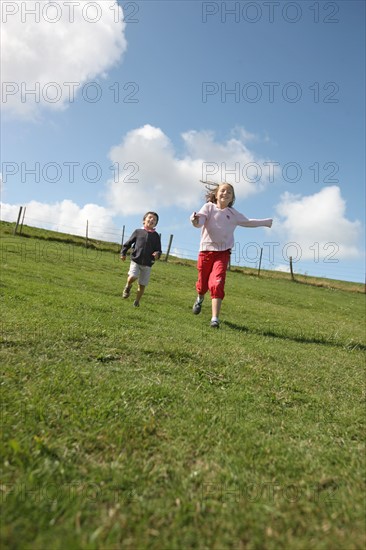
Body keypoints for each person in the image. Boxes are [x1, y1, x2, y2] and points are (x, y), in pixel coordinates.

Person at [190, 182, 272, 328]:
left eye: (229, 192)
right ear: (216, 194)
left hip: (223, 253)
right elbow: (200, 221)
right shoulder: (208, 207)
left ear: (232, 198)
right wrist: (195, 220)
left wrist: (266, 222)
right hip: (206, 251)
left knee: (217, 283)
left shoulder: (233, 214)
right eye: (223, 191)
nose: (225, 194)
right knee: (202, 284)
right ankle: (200, 297)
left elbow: (247, 222)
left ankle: (215, 318)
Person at [120, 211, 162, 307]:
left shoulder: (156, 236)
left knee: (142, 284)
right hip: (136, 260)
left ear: (156, 223)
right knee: (133, 276)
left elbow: (159, 250)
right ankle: (128, 286)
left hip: (148, 263)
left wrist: (157, 254)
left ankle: (137, 302)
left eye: (154, 219)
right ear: (144, 220)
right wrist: (123, 253)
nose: (152, 220)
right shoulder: (138, 232)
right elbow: (128, 243)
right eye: (150, 217)